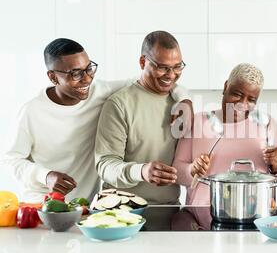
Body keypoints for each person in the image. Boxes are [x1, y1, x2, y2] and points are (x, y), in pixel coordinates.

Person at [1, 38, 191, 203]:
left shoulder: (100, 92)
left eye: (89, 69)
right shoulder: (32, 111)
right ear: (53, 77)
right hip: (42, 204)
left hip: (85, 205)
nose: (86, 79)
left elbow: (151, 79)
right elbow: (12, 160)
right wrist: (46, 176)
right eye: (76, 73)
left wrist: (184, 98)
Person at [173, 63, 277, 205]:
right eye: (237, 94)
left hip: (256, 212)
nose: (242, 104)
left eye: (251, 100)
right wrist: (191, 169)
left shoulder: (267, 124)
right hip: (203, 215)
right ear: (225, 87)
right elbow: (176, 171)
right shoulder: (197, 122)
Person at [95, 31, 193, 205]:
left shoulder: (181, 104)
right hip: (122, 211)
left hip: (169, 211)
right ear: (143, 62)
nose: (171, 75)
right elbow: (105, 165)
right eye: (162, 67)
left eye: (177, 66)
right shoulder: (119, 104)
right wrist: (141, 171)